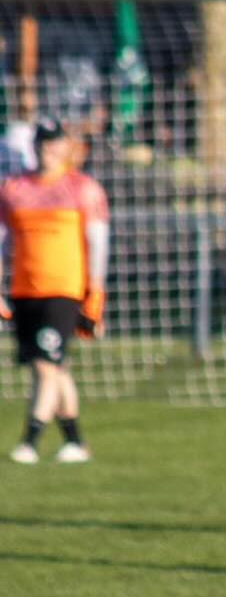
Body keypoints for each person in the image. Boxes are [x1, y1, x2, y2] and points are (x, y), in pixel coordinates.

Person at [0, 116, 109, 465]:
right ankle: (75, 442)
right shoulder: (14, 190)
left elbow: (97, 243)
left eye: (53, 142)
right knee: (50, 368)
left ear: (65, 146)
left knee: (46, 367)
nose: (47, 149)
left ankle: (30, 441)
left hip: (63, 290)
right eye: (42, 142)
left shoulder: (82, 188)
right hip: (24, 290)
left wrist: (95, 293)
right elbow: (2, 241)